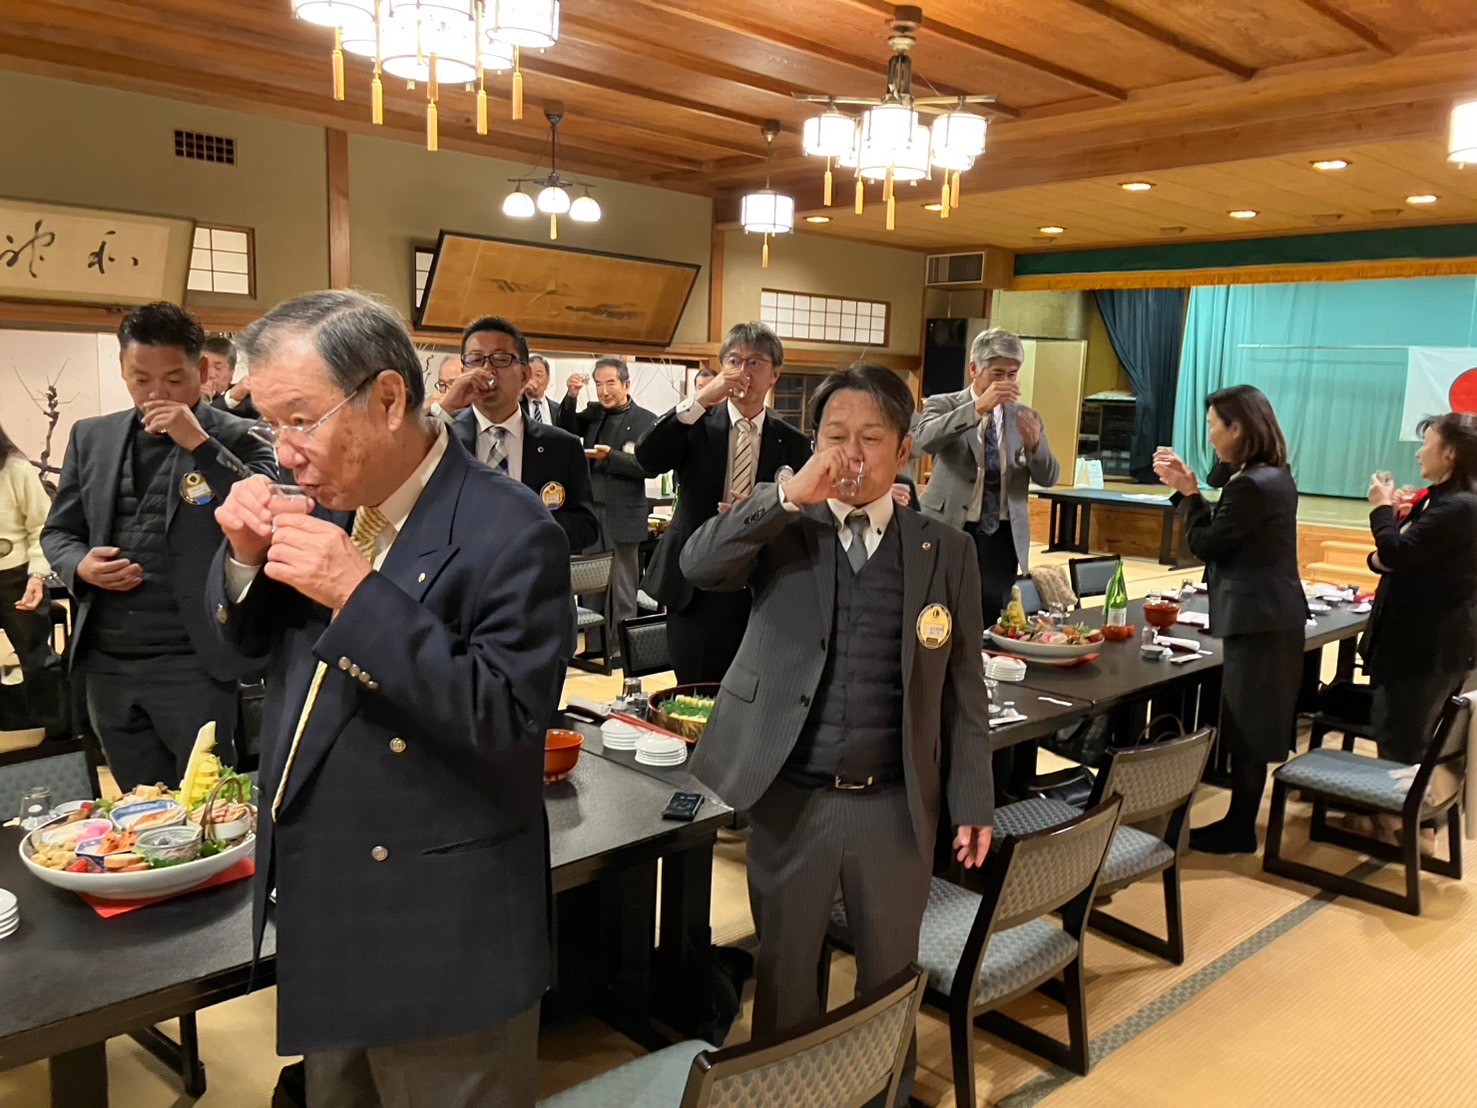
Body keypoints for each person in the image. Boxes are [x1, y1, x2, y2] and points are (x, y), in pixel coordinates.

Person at [208, 290, 571, 1107]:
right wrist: (240, 557)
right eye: (268, 424)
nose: (283, 452)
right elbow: (238, 650)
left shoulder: (510, 528)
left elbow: (507, 718)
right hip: (326, 897)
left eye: (300, 419)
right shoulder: (326, 498)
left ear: (386, 398)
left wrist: (357, 593)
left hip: (440, 918)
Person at [681, 364, 994, 1088]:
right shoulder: (782, 527)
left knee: (888, 983)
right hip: (794, 801)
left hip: (894, 805)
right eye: (834, 436)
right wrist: (788, 495)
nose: (851, 455)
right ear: (813, 443)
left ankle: (883, 1097)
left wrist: (972, 799)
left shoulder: (945, 549)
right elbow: (697, 566)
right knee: (785, 982)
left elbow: (964, 690)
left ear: (905, 450)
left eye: (870, 438)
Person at [41, 302, 276, 790]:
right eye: (140, 379)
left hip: (194, 660)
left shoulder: (242, 434)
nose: (156, 393)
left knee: (209, 803)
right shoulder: (92, 436)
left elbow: (264, 511)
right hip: (108, 662)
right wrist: (80, 565)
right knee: (136, 805)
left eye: (173, 379)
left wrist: (200, 444)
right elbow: (58, 532)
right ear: (122, 369)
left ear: (202, 370)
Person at [1154, 385, 1305, 855]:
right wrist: (1193, 481)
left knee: (1249, 724)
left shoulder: (1252, 485)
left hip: (1259, 618)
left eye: (1214, 426)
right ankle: (1238, 822)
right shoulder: (1272, 474)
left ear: (1237, 429)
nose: (1209, 436)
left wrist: (1188, 494)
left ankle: (1240, 829)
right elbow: (1222, 480)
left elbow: (1207, 543)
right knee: (1250, 719)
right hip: (1271, 614)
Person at [636, 323, 810, 684]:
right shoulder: (695, 424)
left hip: (759, 584)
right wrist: (701, 399)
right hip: (693, 584)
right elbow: (647, 458)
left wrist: (759, 513)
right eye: (734, 361)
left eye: (755, 363)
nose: (742, 372)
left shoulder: (791, 441)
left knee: (752, 691)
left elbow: (805, 512)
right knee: (694, 692)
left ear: (775, 374)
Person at [913, 327, 1060, 623]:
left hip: (1001, 531)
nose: (1006, 383)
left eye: (1012, 374)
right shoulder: (944, 404)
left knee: (991, 613)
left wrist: (1035, 446)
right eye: (997, 374)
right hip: (950, 524)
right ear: (974, 369)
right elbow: (922, 441)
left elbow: (1049, 477)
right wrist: (977, 408)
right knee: (939, 605)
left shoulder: (1026, 416)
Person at [1361, 413, 1477, 766]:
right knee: (1401, 733)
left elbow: (1396, 553)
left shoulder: (1459, 506)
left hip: (1425, 647)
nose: (1418, 453)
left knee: (1403, 741)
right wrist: (1399, 519)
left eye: (1426, 444)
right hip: (1420, 643)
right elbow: (1395, 556)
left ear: (1450, 453)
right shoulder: (1445, 500)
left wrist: (1382, 508)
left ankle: (1396, 803)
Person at [435, 316, 598, 553]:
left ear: (524, 375)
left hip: (532, 569)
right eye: (476, 360)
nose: (487, 370)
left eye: (501, 359)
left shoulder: (563, 447)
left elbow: (586, 527)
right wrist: (446, 407)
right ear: (463, 371)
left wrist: (525, 529)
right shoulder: (442, 437)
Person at [560, 357, 656, 643]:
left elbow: (649, 467)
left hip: (624, 514)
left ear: (626, 384)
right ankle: (594, 647)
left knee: (623, 588)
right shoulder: (594, 414)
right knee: (590, 586)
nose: (604, 391)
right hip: (591, 512)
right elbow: (566, 431)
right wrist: (571, 397)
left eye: (610, 383)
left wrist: (611, 457)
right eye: (598, 384)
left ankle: (622, 650)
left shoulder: (645, 420)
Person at [0, 421, 58, 731]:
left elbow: (42, 527)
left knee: (36, 658)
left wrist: (37, 575)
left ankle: (55, 732)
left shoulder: (16, 469)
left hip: (18, 577)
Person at [207, 335, 260, 422]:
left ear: (232, 371)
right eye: (204, 367)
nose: (210, 374)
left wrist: (232, 398)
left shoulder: (247, 399)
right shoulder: (188, 396)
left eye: (218, 368)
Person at [522, 354, 558, 427]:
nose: (533, 380)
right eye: (529, 375)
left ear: (548, 378)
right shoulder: (516, 406)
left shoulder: (558, 409)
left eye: (538, 375)